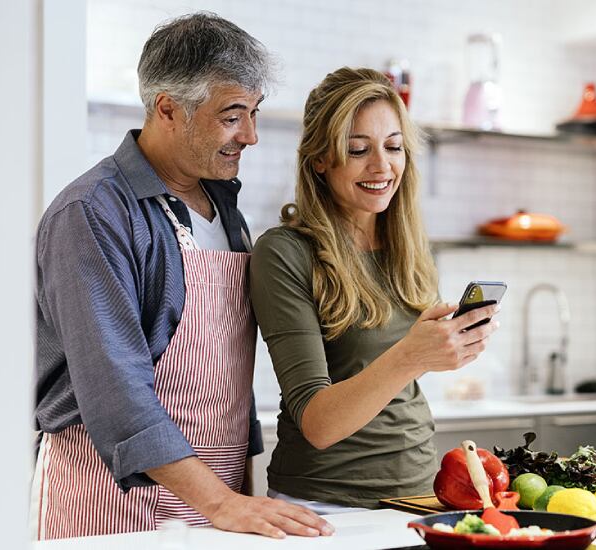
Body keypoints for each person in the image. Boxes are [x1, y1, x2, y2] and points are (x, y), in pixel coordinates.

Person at [32, 13, 332, 540]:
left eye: (254, 113)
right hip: (111, 498)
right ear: (168, 108)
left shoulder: (224, 206)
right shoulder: (92, 213)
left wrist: (236, 492)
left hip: (221, 490)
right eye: (232, 116)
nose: (252, 136)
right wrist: (220, 502)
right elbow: (114, 392)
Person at [249, 67, 499, 511]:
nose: (382, 166)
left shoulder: (408, 246)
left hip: (423, 492)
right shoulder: (285, 253)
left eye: (394, 147)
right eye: (358, 149)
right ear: (320, 159)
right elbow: (317, 423)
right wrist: (412, 356)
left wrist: (449, 346)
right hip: (325, 505)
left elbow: (401, 384)